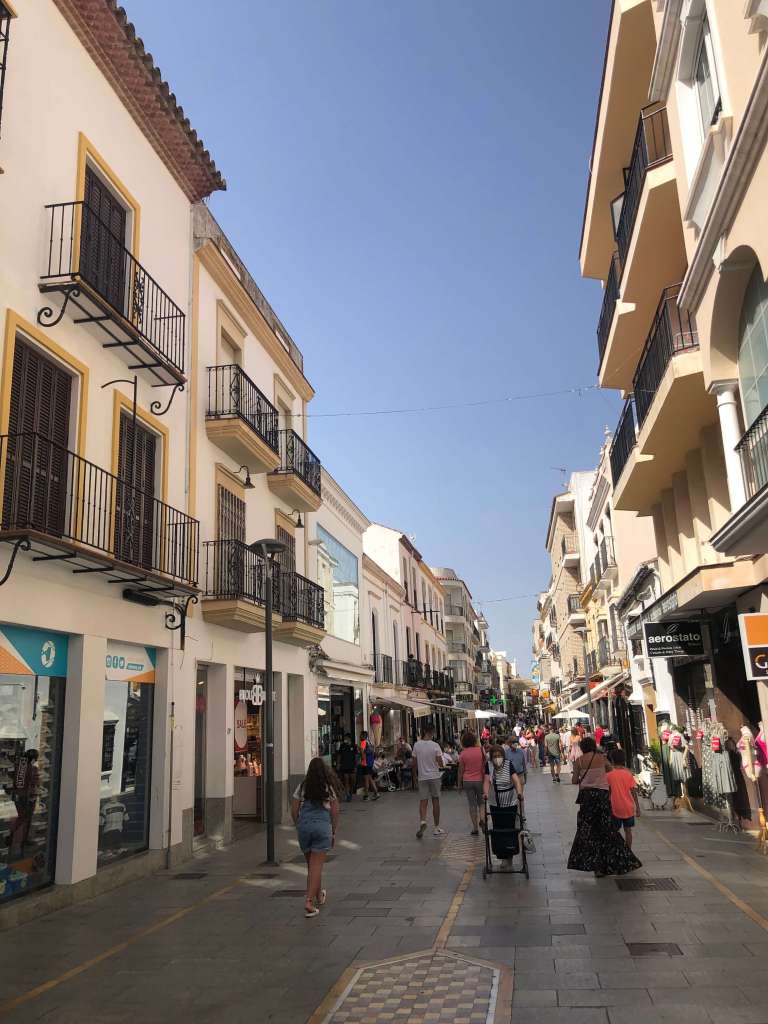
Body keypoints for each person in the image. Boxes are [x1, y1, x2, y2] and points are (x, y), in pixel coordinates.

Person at [567, 737, 641, 877]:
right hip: (602, 797)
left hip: (587, 799)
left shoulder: (579, 761)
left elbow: (574, 780)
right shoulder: (602, 758)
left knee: (589, 832)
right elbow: (610, 772)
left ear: (582, 748)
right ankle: (612, 863)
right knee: (606, 831)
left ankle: (596, 867)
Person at [291, 757, 341, 918]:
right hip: (322, 827)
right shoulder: (328, 787)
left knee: (311, 866)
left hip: (304, 827)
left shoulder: (302, 786)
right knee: (316, 867)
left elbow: (294, 809)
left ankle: (319, 896)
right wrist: (333, 831)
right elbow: (335, 811)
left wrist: (298, 825)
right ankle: (308, 902)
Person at [484, 745, 524, 869]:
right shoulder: (489, 766)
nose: (497, 758)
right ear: (491, 757)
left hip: (510, 802)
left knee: (509, 829)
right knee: (498, 830)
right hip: (495, 802)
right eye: (495, 756)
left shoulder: (508, 764)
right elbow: (486, 781)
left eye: (499, 756)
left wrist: (519, 792)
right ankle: (501, 856)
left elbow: (516, 780)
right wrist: (485, 793)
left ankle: (509, 856)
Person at [413, 725, 445, 838]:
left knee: (423, 801)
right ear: (431, 732)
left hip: (422, 777)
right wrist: (439, 763)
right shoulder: (435, 745)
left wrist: (414, 777)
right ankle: (436, 828)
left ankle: (423, 821)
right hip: (434, 776)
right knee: (435, 800)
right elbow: (441, 763)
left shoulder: (416, 745)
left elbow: (414, 763)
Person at [606, 749, 641, 850]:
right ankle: (628, 852)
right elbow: (634, 792)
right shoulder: (628, 774)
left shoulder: (608, 776)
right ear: (624, 760)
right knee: (628, 831)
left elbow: (607, 793)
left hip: (614, 808)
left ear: (612, 760)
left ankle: (617, 852)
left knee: (614, 831)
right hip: (628, 808)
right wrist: (637, 808)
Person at [458, 732, 485, 835]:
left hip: (467, 781)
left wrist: (459, 784)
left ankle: (475, 828)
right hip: (479, 780)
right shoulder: (480, 750)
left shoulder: (463, 753)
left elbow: (460, 770)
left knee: (472, 805)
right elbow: (484, 765)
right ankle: (482, 819)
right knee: (481, 803)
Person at [358, 731, 379, 801]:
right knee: (370, 779)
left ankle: (366, 795)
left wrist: (361, 760)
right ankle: (376, 793)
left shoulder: (363, 742)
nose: (360, 736)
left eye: (361, 735)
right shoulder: (369, 743)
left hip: (365, 764)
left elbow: (362, 752)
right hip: (370, 763)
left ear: (364, 736)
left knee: (366, 780)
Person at [337, 733, 357, 801]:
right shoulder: (342, 745)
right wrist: (338, 764)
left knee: (353, 780)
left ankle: (351, 792)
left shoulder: (353, 746)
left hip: (352, 765)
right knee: (346, 780)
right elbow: (339, 755)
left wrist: (356, 765)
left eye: (346, 738)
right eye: (345, 738)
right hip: (344, 765)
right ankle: (347, 794)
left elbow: (356, 756)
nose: (345, 739)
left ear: (349, 738)